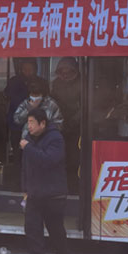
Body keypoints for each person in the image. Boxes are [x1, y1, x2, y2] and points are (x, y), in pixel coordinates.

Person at [18, 107, 69, 254]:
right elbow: (25, 166)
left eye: (32, 122)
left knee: (55, 227)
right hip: (34, 192)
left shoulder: (55, 138)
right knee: (32, 228)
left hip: (53, 193)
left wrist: (28, 148)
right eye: (28, 122)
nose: (29, 126)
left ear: (43, 123)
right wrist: (25, 188)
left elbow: (48, 160)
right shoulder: (28, 138)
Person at [4, 59, 48, 159]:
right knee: (18, 152)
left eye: (30, 69)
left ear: (35, 69)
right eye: (25, 69)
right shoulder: (13, 81)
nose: (27, 72)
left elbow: (46, 100)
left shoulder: (41, 83)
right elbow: (7, 96)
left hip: (37, 124)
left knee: (36, 153)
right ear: (21, 69)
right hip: (17, 124)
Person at [50, 57, 81, 193]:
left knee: (74, 156)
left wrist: (74, 120)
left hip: (77, 125)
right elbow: (53, 102)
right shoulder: (56, 83)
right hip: (60, 124)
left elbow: (86, 106)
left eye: (68, 70)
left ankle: (74, 186)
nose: (65, 73)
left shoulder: (82, 83)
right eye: (62, 70)